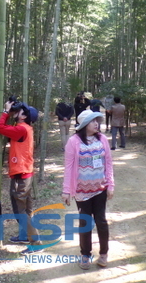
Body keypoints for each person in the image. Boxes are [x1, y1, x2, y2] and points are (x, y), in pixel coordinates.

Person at [62, 110, 115, 270]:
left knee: (101, 221)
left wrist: (111, 184)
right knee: (85, 223)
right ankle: (85, 254)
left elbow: (108, 164)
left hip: (100, 188)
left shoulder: (103, 139)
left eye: (97, 121)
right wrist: (66, 190)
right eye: (93, 121)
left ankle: (104, 254)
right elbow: (69, 167)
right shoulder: (74, 141)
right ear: (85, 125)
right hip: (81, 191)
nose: (96, 123)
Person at [0, 99, 42, 254]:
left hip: (21, 175)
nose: (17, 111)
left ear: (23, 116)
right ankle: (25, 235)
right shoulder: (24, 128)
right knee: (26, 210)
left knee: (20, 210)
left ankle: (36, 242)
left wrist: (6, 112)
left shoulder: (21, 129)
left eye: (20, 111)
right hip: (24, 173)